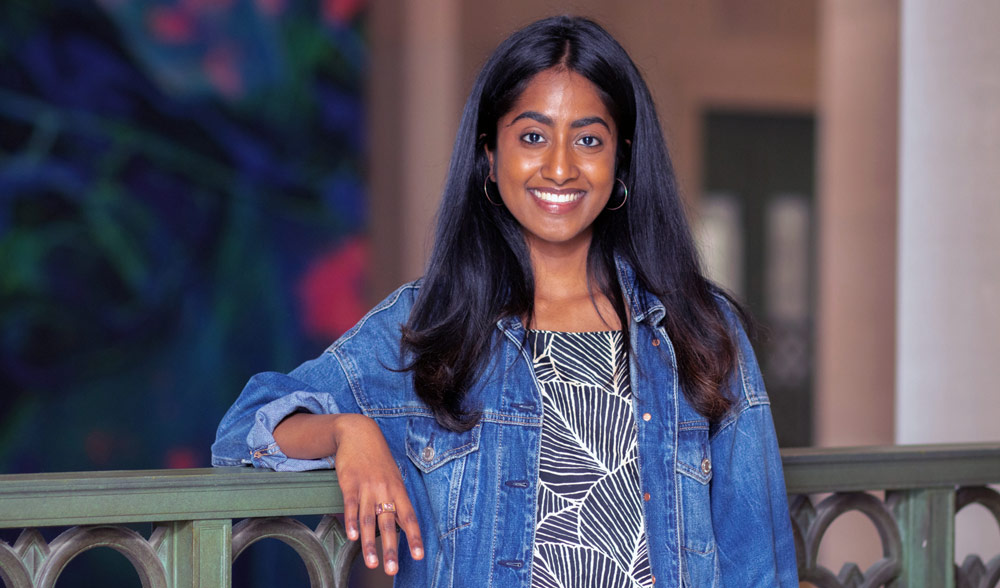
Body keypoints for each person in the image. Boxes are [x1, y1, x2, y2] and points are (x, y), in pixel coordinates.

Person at [212, 15, 798, 587]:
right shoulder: (428, 326)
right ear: (490, 156)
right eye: (534, 136)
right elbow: (243, 434)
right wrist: (347, 432)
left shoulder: (698, 329)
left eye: (589, 139)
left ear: (622, 158)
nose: (560, 166)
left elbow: (758, 564)